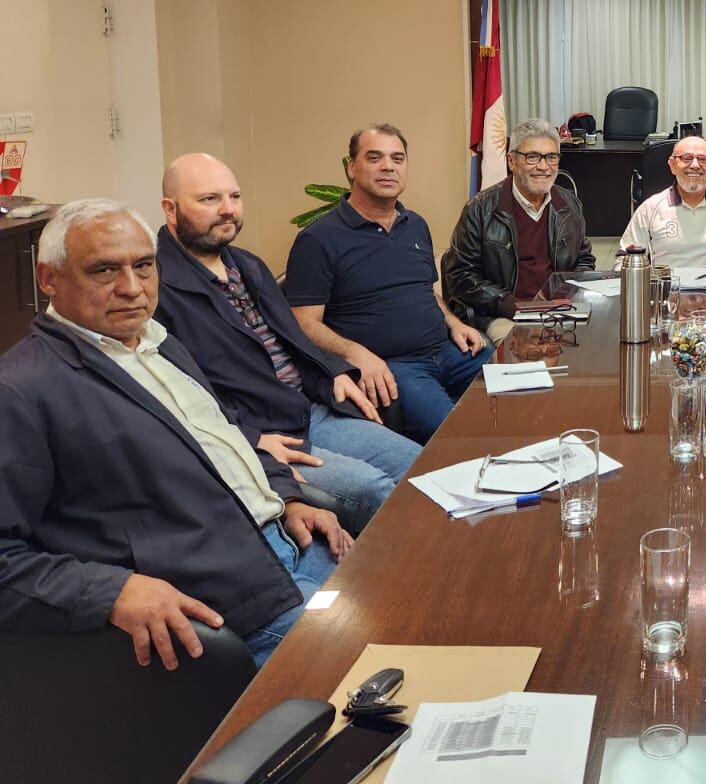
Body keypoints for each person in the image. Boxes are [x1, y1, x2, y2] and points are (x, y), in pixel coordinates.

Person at [0, 200, 352, 669]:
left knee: (420, 610)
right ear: (48, 279)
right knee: (390, 667)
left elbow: (221, 435)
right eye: (104, 270)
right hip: (230, 599)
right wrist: (113, 591)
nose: (132, 289)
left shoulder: (156, 343)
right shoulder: (21, 390)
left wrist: (288, 496)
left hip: (290, 545)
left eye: (144, 266)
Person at [155, 153, 420, 532]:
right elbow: (172, 393)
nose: (228, 210)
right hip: (262, 434)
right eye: (209, 199)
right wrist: (250, 440)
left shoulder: (246, 264)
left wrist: (335, 372)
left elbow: (295, 338)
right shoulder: (154, 287)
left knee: (421, 463)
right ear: (170, 208)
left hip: (308, 409)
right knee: (376, 490)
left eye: (234, 197)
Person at [286, 124, 491, 442]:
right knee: (458, 437)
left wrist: (453, 323)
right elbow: (302, 322)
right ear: (352, 167)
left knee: (522, 396)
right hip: (398, 368)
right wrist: (357, 355)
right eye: (374, 157)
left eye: (397, 158)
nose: (388, 166)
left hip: (450, 353)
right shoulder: (318, 239)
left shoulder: (416, 225)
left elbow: (424, 291)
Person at [443, 117, 596, 343]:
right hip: (504, 315)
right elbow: (460, 276)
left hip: (558, 310)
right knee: (525, 355)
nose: (543, 166)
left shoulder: (569, 205)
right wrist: (509, 304)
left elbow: (584, 260)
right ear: (511, 161)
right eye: (532, 157)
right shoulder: (480, 209)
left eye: (551, 157)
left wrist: (566, 295)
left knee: (597, 345)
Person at [615, 135, 706, 270]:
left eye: (703, 159)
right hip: (668, 293)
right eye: (686, 158)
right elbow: (624, 259)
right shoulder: (651, 207)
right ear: (672, 165)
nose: (695, 165)